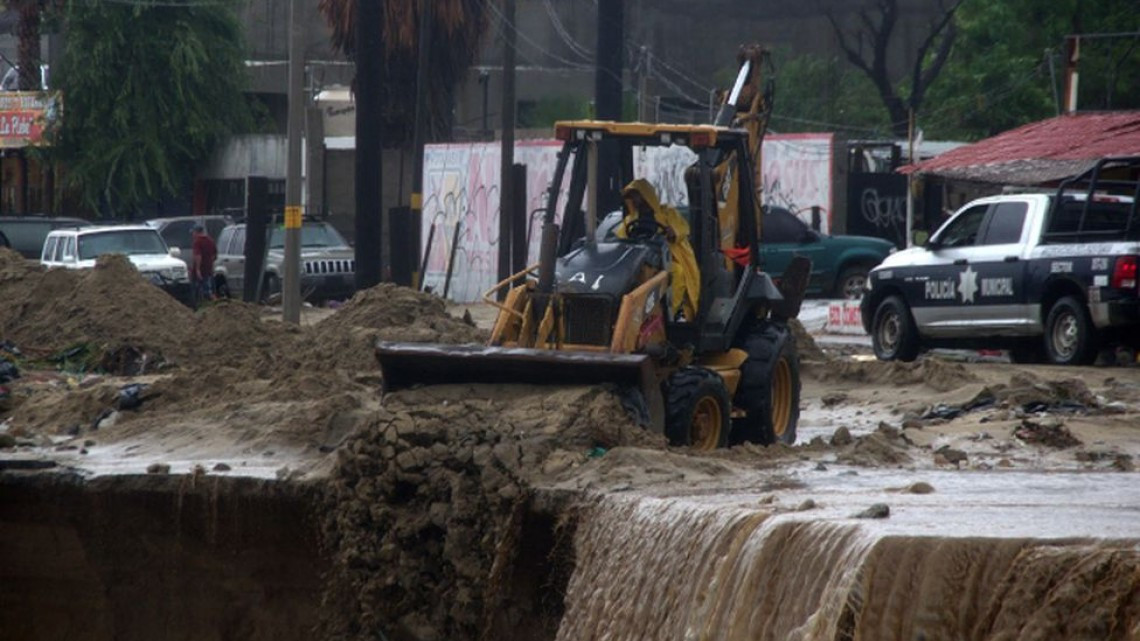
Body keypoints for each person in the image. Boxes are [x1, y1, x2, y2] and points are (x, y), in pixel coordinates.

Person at [615, 178, 700, 320]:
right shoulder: (630, 220)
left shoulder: (667, 213)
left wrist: (673, 231)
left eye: (636, 195)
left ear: (645, 194)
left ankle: (673, 313)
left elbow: (682, 228)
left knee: (677, 273)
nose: (634, 200)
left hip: (666, 259)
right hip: (641, 261)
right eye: (631, 196)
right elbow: (620, 237)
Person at [191, 223, 217, 302]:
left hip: (200, 270)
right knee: (209, 288)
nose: (193, 234)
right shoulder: (211, 241)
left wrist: (198, 269)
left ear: (196, 232)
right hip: (208, 269)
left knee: (200, 290)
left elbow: (198, 256)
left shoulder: (197, 242)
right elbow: (214, 256)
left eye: (193, 232)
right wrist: (210, 265)